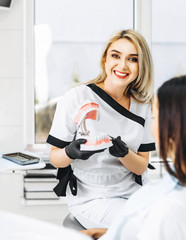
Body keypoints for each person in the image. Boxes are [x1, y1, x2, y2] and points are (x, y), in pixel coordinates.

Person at [81, 74, 186, 239]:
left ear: (173, 130)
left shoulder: (175, 209)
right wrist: (107, 234)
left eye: (153, 117)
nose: (151, 127)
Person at [46, 29, 156, 229]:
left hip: (134, 191)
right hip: (94, 197)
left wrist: (123, 154)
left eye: (132, 59)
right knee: (141, 227)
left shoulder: (143, 105)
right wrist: (71, 153)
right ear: (105, 59)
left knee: (169, 222)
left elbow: (141, 166)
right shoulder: (77, 97)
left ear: (141, 66)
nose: (122, 65)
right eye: (115, 56)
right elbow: (55, 157)